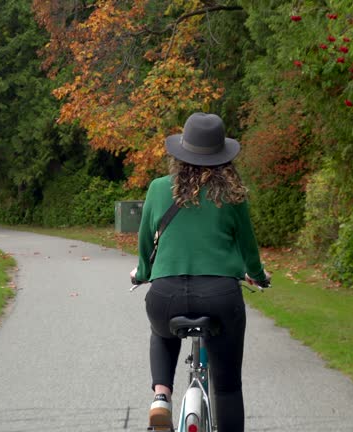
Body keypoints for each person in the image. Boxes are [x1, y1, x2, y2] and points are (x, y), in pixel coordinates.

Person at [130, 112, 271, 432]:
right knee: (228, 387)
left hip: (166, 296)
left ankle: (161, 398)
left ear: (181, 153)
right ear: (224, 158)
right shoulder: (233, 195)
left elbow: (144, 244)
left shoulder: (157, 188)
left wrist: (142, 273)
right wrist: (258, 276)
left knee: (161, 331)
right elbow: (249, 249)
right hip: (220, 298)